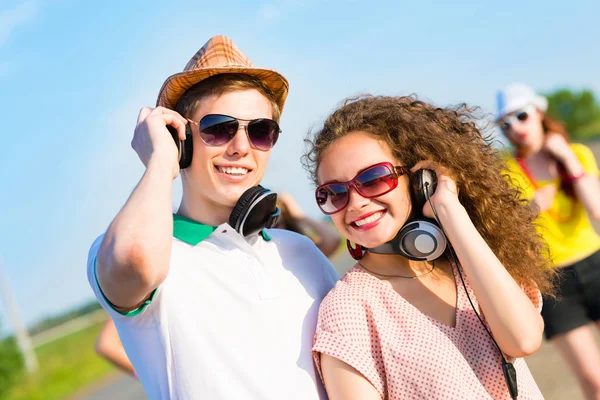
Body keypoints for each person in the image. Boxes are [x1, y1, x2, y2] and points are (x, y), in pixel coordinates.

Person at [86, 35, 338, 399]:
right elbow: (134, 261)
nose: (241, 147)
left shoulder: (300, 251)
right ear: (181, 139)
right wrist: (160, 161)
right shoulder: (149, 252)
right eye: (219, 128)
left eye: (260, 131)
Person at [304, 95, 554, 399]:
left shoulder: (468, 264)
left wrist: (449, 210)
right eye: (334, 192)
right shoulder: (348, 309)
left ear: (419, 180)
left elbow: (523, 339)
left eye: (373, 178)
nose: (356, 203)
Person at [498, 83, 600, 400]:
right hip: (554, 281)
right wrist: (533, 206)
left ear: (539, 114)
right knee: (594, 380)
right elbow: (508, 233)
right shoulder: (508, 172)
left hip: (595, 262)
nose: (515, 127)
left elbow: (597, 211)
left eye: (521, 116)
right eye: (506, 124)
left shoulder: (578, 154)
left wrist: (567, 159)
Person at [276, 192, 341, 258]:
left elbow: (332, 239)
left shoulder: (300, 255)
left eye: (277, 222)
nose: (275, 231)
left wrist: (299, 216)